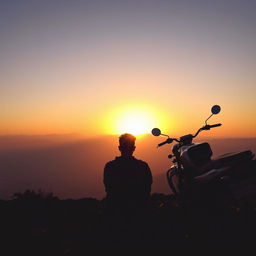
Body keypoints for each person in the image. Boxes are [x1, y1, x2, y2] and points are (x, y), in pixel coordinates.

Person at [103, 133, 153, 210]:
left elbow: (109, 189)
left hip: (116, 209)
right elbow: (147, 189)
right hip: (139, 209)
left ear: (119, 148)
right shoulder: (143, 166)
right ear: (134, 148)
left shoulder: (110, 166)